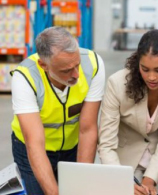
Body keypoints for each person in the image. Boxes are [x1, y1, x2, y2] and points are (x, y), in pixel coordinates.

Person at [11, 26, 105, 195]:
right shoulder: (25, 78)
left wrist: (82, 183)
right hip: (32, 149)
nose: (76, 74)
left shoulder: (93, 65)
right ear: (43, 65)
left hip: (72, 147)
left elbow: (87, 129)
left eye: (77, 65)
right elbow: (34, 143)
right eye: (66, 71)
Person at [98, 29, 158, 195]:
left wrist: (151, 177)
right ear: (138, 62)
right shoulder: (117, 84)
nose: (152, 77)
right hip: (124, 163)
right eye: (145, 69)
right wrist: (120, 180)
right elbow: (106, 143)